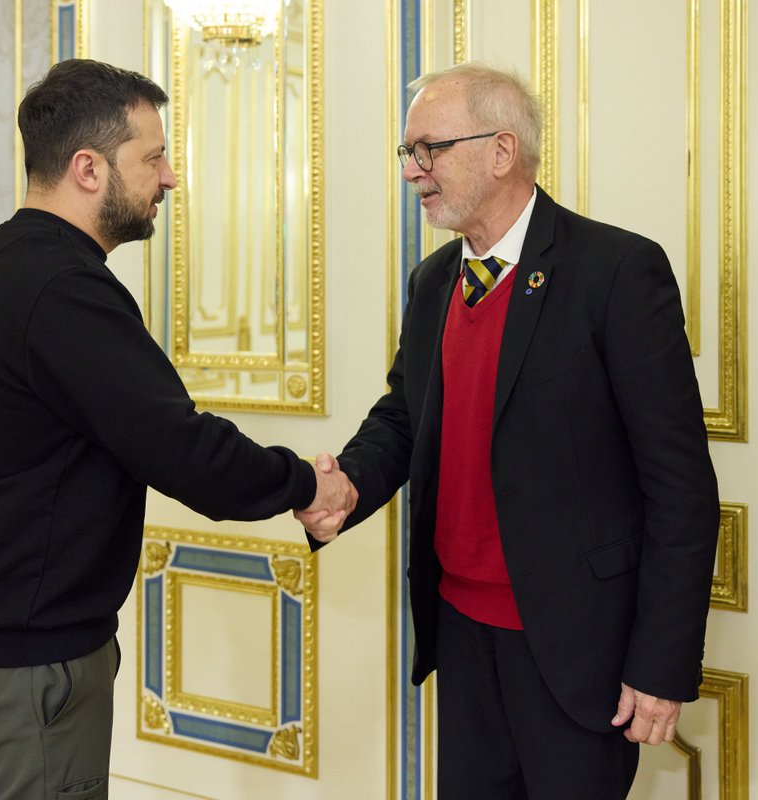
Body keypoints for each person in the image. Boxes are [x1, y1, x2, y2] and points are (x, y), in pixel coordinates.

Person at [0, 58, 355, 800]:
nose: (170, 177)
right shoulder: (62, 290)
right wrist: (308, 481)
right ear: (88, 169)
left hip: (0, 650)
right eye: (152, 158)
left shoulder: (6, 264)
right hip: (25, 668)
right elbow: (184, 451)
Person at [297, 63, 719, 798]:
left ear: (501, 151)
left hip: (577, 647)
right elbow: (406, 410)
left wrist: (661, 665)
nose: (412, 172)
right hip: (460, 632)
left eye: (428, 149)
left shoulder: (616, 272)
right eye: (407, 153)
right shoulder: (433, 281)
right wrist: (349, 484)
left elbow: (681, 486)